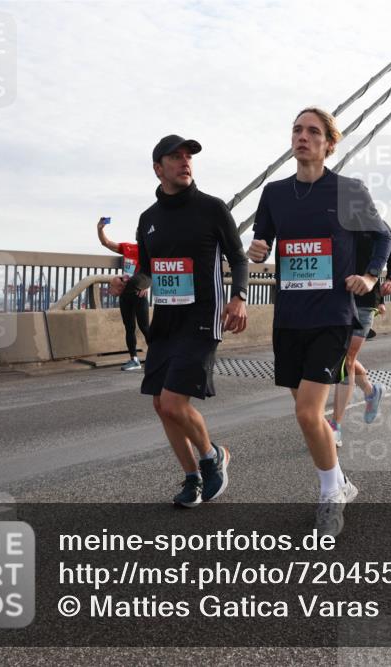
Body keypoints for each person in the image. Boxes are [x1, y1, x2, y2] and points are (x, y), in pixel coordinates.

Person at [246, 106, 391, 535]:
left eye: (313, 131)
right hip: (289, 316)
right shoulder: (274, 193)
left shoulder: (348, 190)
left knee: (309, 413)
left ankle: (330, 495)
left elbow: (381, 236)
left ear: (329, 144)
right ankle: (341, 481)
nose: (303, 137)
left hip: (332, 317)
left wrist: (369, 275)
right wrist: (258, 252)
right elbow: (263, 242)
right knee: (305, 411)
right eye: (297, 130)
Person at [109, 134, 248, 507]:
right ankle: (192, 478)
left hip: (203, 316)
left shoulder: (212, 208)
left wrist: (239, 296)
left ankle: (211, 456)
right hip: (167, 321)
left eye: (188, 157)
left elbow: (238, 257)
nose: (185, 162)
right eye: (176, 157)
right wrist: (127, 283)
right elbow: (147, 272)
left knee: (172, 403)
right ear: (159, 168)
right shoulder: (149, 219)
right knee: (160, 404)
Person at [329, 234, 391, 446]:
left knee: (346, 359)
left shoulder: (377, 224)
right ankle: (371, 392)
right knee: (341, 355)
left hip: (364, 301)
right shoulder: (334, 219)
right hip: (335, 298)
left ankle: (335, 426)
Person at [97, 218, 151, 371]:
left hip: (139, 293)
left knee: (145, 327)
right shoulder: (129, 248)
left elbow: (154, 271)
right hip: (125, 295)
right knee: (129, 328)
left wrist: (146, 285)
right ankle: (134, 359)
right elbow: (106, 243)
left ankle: (156, 357)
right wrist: (100, 229)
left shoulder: (150, 253)